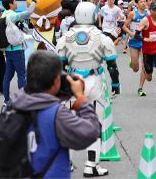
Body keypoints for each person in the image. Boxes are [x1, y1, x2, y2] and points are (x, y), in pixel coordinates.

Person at [10, 51, 101, 179]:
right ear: (56, 81)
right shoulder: (55, 114)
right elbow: (90, 132)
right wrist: (80, 97)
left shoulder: (12, 107)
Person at [56, 2, 118, 177]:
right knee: (94, 125)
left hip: (72, 81)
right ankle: (91, 165)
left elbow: (60, 64)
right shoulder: (102, 37)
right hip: (95, 81)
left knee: (67, 125)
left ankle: (65, 162)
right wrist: (116, 84)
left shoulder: (65, 37)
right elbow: (112, 65)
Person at [2, 0, 37, 103]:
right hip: (17, 49)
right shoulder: (12, 16)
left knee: (8, 75)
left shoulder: (3, 15)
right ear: (10, 4)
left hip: (8, 50)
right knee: (21, 75)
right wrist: (34, 0)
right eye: (15, 1)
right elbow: (29, 12)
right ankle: (23, 99)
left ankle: (6, 99)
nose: (16, 3)